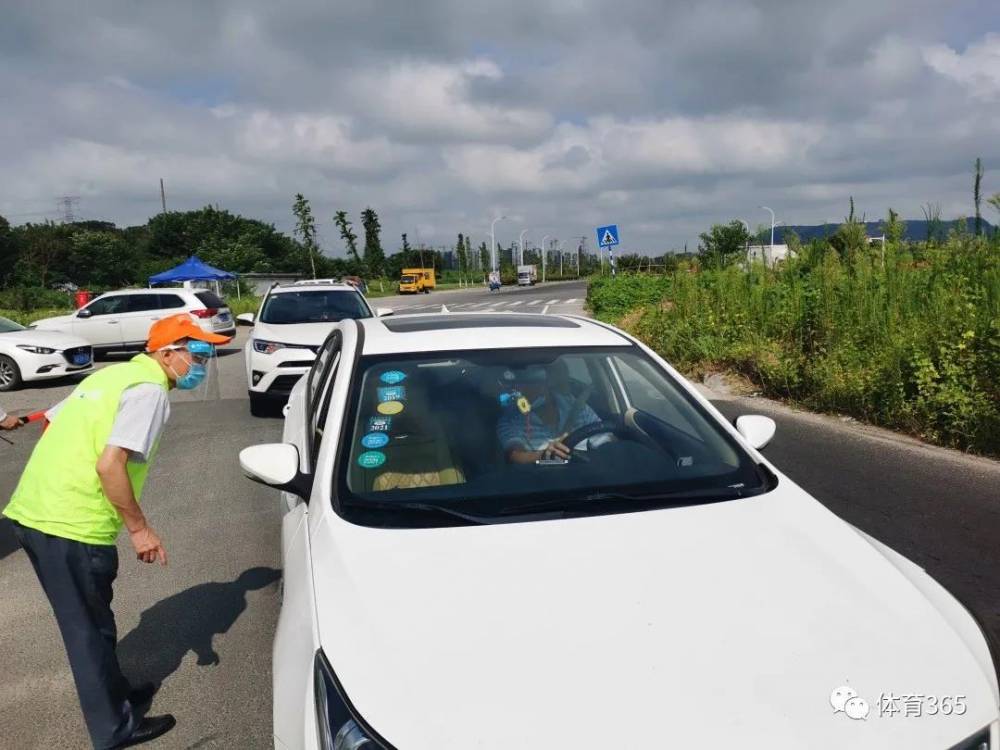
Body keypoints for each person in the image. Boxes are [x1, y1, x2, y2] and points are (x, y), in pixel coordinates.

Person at [2, 313, 230, 749]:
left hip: (36, 513)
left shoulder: (113, 376)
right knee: (87, 632)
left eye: (206, 354)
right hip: (71, 524)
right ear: (167, 354)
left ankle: (116, 695)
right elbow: (110, 465)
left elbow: (52, 421)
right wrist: (140, 530)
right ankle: (113, 729)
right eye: (197, 353)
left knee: (96, 622)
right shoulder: (148, 391)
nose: (202, 363)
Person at [496, 363, 604, 464]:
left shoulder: (576, 406)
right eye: (521, 382)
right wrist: (543, 455)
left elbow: (604, 436)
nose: (522, 389)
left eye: (534, 380)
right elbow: (516, 455)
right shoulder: (511, 420)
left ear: (547, 383)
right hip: (542, 476)